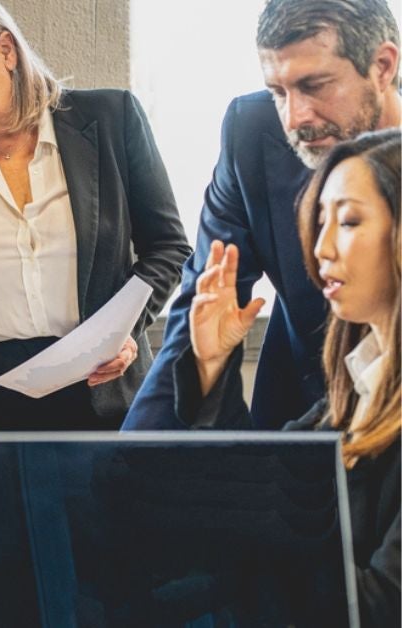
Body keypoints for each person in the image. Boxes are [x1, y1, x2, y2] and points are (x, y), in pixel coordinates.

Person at [0, 0, 190, 430]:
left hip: (101, 388)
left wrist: (124, 331)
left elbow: (169, 249)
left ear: (6, 50)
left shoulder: (112, 118)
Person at [124, 0, 401, 430]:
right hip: (303, 421)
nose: (294, 118)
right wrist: (132, 461)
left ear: (382, 66)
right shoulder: (252, 130)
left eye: (315, 85)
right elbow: (205, 299)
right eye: (278, 91)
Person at [173, 129, 400, 626]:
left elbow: (379, 607)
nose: (320, 249)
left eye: (348, 221)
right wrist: (211, 366)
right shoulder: (357, 386)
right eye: (319, 222)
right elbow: (260, 482)